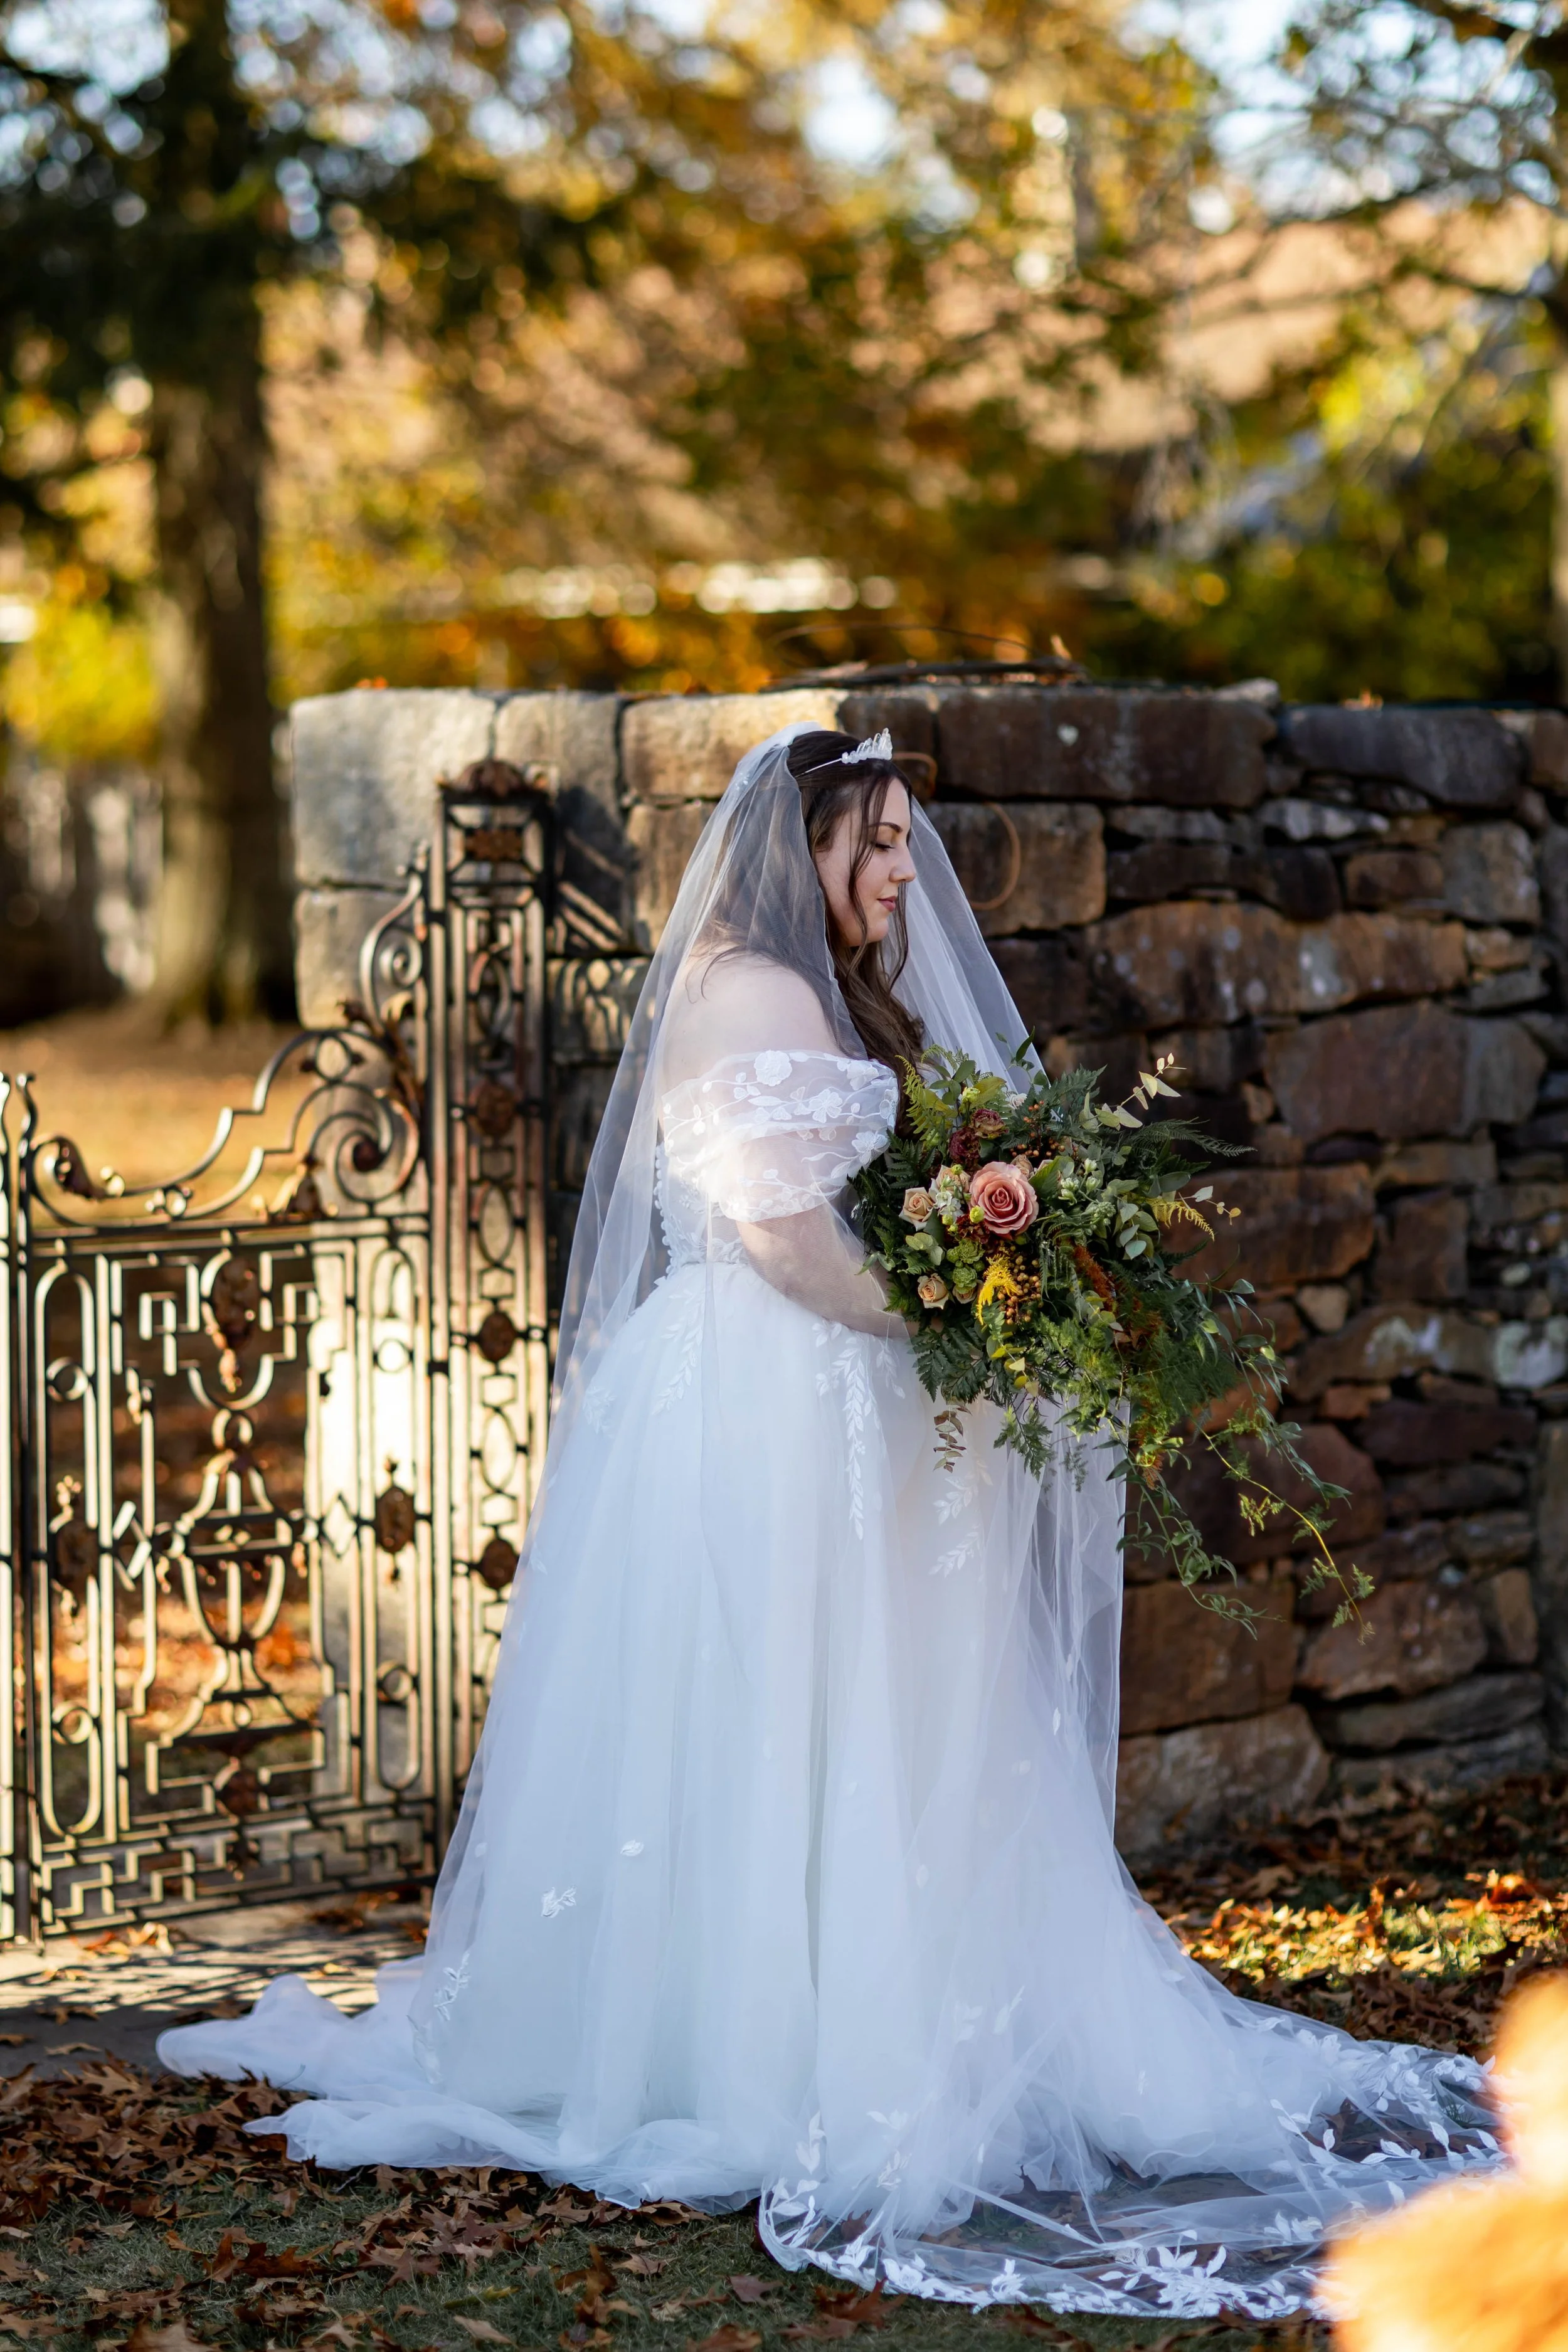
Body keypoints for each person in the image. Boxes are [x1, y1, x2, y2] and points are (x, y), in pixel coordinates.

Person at [160, 724, 1499, 2319]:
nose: (901, 871)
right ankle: (764, 2053)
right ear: (799, 850)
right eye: (875, 841)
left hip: (816, 1390)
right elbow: (787, 1242)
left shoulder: (819, 991)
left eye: (902, 841)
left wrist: (990, 1293)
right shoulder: (753, 991)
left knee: (863, 1708)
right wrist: (973, 1328)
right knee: (779, 1704)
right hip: (765, 1398)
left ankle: (879, 2008)